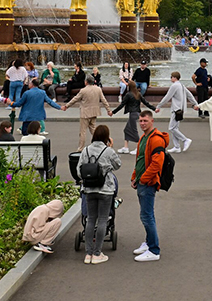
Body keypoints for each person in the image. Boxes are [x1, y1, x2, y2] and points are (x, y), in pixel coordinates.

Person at [79, 125, 122, 264]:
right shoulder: (108, 151)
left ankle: (88, 253)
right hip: (105, 189)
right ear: (106, 137)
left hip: (90, 189)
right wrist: (111, 148)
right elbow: (118, 165)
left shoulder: (85, 150)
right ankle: (97, 253)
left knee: (91, 219)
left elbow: (79, 171)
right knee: (103, 219)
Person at [131, 111, 168, 262]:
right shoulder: (144, 138)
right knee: (147, 214)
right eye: (140, 121)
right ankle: (148, 243)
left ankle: (154, 250)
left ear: (152, 121)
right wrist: (135, 177)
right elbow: (140, 159)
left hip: (148, 183)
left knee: (147, 216)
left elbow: (157, 164)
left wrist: (144, 179)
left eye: (145, 121)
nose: (142, 123)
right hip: (142, 181)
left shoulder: (156, 140)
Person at [154, 71, 197, 153]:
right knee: (175, 128)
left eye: (171, 77)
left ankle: (185, 140)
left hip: (176, 109)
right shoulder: (181, 85)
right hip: (181, 109)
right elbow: (189, 95)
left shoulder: (174, 86)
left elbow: (167, 97)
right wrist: (195, 104)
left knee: (171, 128)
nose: (170, 78)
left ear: (174, 77)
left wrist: (159, 106)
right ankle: (177, 146)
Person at [112, 80, 156, 154]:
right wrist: (154, 109)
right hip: (137, 113)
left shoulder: (128, 95)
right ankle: (126, 147)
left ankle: (138, 148)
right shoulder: (138, 94)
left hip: (132, 114)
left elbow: (122, 105)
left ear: (129, 87)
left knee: (134, 131)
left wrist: (113, 112)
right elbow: (146, 103)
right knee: (126, 130)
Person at [66, 75, 112, 148]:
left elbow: (75, 99)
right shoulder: (98, 89)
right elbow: (104, 100)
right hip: (94, 112)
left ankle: (81, 148)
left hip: (85, 113)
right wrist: (108, 110)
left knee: (83, 132)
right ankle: (105, 142)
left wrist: (66, 106)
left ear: (86, 82)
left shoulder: (83, 90)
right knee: (93, 130)